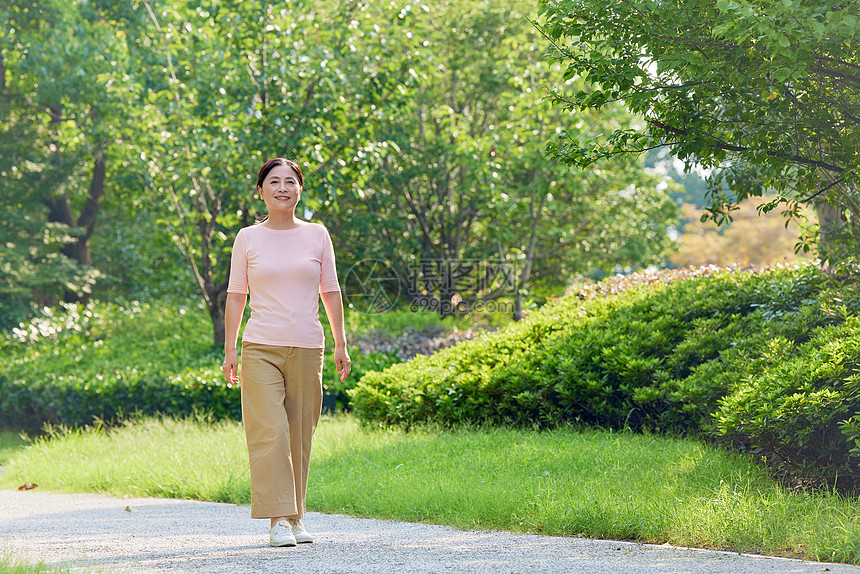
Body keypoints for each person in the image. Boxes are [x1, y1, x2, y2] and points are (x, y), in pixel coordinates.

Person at [222, 157, 351, 547]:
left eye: (290, 182)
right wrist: (230, 348)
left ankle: (295, 517)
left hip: (309, 345)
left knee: (299, 434)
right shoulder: (247, 237)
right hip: (260, 345)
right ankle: (277, 519)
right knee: (269, 431)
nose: (282, 188)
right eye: (274, 182)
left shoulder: (318, 235)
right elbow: (236, 295)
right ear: (260, 191)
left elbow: (330, 290)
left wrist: (341, 341)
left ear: (300, 189)